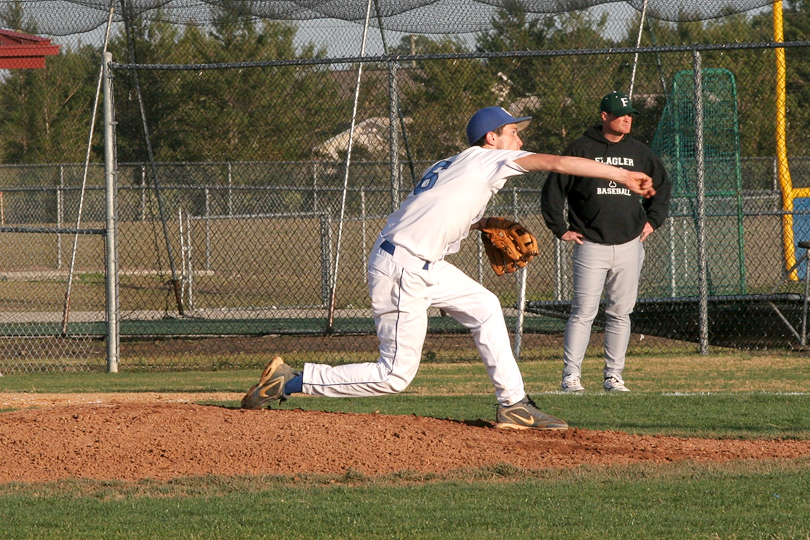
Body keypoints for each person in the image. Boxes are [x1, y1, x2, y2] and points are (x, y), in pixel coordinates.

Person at [242, 105, 655, 430]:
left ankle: (513, 406)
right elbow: (558, 164)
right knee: (394, 376)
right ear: (492, 138)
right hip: (405, 269)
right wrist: (622, 175)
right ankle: (291, 380)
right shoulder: (488, 160)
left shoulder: (453, 163)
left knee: (487, 306)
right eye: (513, 131)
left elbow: (429, 210)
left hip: (420, 263)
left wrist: (479, 223)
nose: (520, 137)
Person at [541, 91, 671, 393]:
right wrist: (560, 228)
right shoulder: (582, 148)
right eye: (619, 114)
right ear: (604, 117)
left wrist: (653, 221)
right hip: (591, 245)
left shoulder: (640, 152)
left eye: (630, 115)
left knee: (620, 312)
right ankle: (571, 377)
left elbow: (662, 188)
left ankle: (614, 376)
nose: (626, 118)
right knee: (583, 312)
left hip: (629, 244)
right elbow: (553, 190)